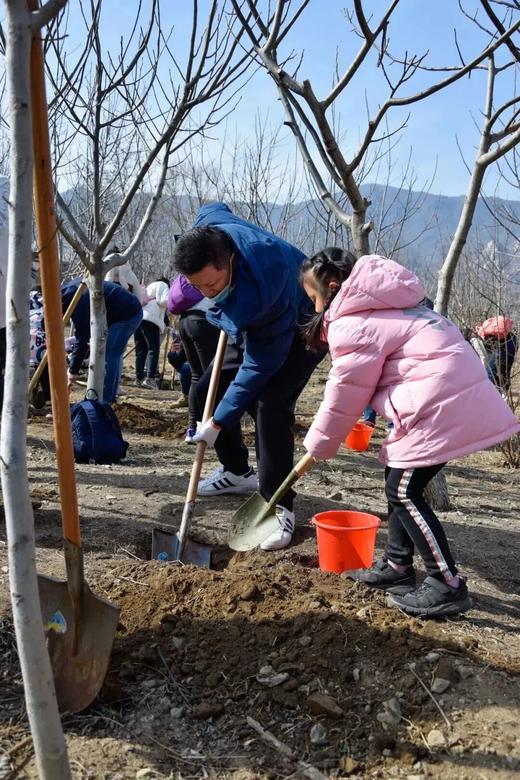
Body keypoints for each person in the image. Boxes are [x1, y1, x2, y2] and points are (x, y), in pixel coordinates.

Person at [301, 248, 520, 618]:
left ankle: (446, 583)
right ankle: (397, 566)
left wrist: (319, 443)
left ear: (332, 287)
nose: (314, 306)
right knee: (397, 478)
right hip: (446, 398)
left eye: (313, 298)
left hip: (438, 404)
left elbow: (345, 392)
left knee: (404, 490)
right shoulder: (396, 304)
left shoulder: (353, 322)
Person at [173, 202, 325, 550]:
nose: (207, 294)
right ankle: (237, 471)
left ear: (230, 260)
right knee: (202, 394)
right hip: (252, 327)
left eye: (212, 285)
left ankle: (278, 505)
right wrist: (214, 418)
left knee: (269, 406)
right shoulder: (211, 230)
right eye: (200, 288)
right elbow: (214, 208)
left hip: (305, 326)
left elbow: (258, 366)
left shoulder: (262, 288)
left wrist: (221, 421)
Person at [61, 279, 143, 404]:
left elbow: (82, 338)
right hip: (120, 310)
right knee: (112, 355)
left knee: (109, 355)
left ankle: (105, 400)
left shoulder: (80, 303)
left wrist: (73, 371)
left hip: (127, 314)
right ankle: (108, 396)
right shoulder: (69, 290)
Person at [167, 272, 220, 441]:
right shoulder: (218, 270)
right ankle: (208, 425)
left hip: (185, 321)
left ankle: (192, 429)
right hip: (205, 321)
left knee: (197, 376)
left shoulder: (194, 270)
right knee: (210, 377)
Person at [134, 276, 170, 389]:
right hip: (151, 320)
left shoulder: (149, 287)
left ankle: (138, 378)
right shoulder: (163, 285)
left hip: (139, 318)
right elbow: (163, 300)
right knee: (153, 349)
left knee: (140, 350)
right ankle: (150, 378)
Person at [476, 316, 517, 396]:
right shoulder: (489, 326)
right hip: (512, 341)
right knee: (505, 370)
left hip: (504, 345)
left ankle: (493, 394)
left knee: (491, 372)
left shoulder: (482, 333)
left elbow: (484, 356)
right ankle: (504, 392)